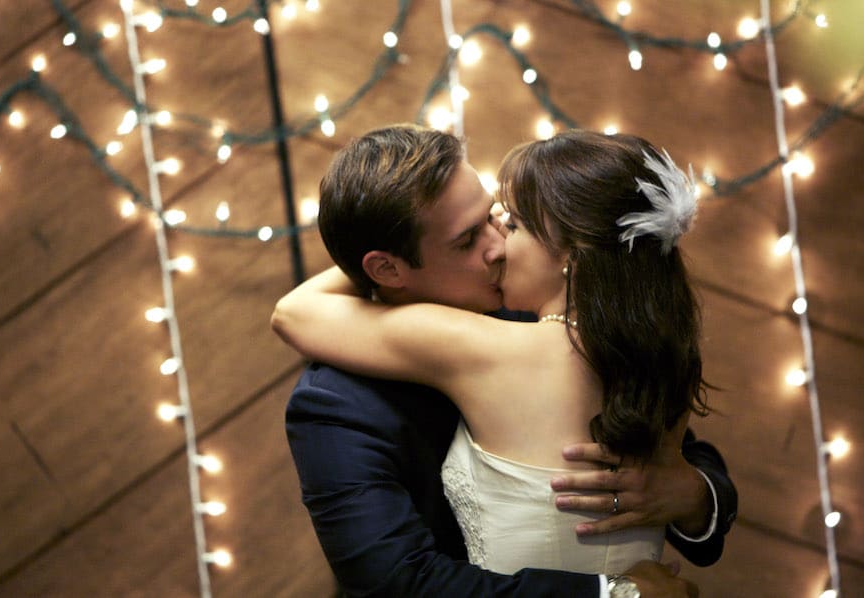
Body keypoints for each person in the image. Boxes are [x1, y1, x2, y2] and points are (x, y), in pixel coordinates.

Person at [276, 125, 736, 596]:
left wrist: (695, 495)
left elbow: (679, 450)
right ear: (387, 267)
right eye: (467, 238)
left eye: (498, 218)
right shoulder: (333, 404)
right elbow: (398, 583)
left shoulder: (542, 310)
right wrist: (614, 594)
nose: (497, 244)